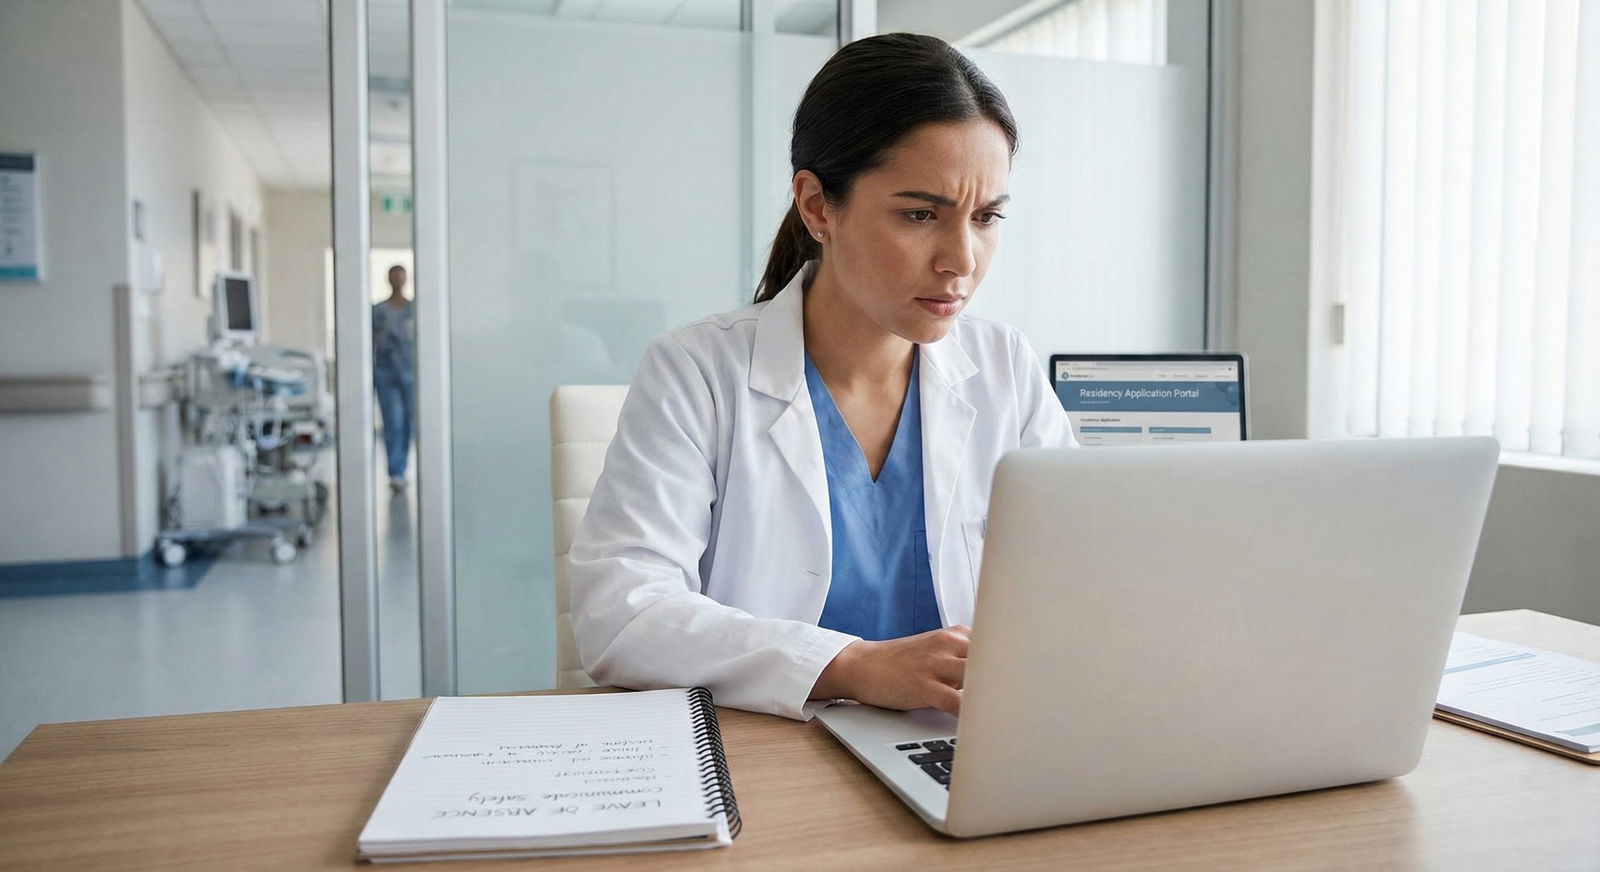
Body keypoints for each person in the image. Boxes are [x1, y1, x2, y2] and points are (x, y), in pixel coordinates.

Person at [569, 33, 1076, 721]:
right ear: (817, 207)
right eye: (920, 214)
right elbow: (621, 613)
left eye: (986, 218)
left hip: (964, 752)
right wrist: (853, 667)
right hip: (771, 758)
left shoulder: (1005, 370)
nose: (962, 259)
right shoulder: (698, 371)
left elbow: (1081, 581)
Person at [372, 264, 415, 492]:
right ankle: (395, 471)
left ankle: (405, 467)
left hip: (411, 374)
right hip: (386, 373)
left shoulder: (414, 310)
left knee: (409, 423)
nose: (397, 281)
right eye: (393, 277)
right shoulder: (378, 311)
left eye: (401, 277)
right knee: (393, 422)